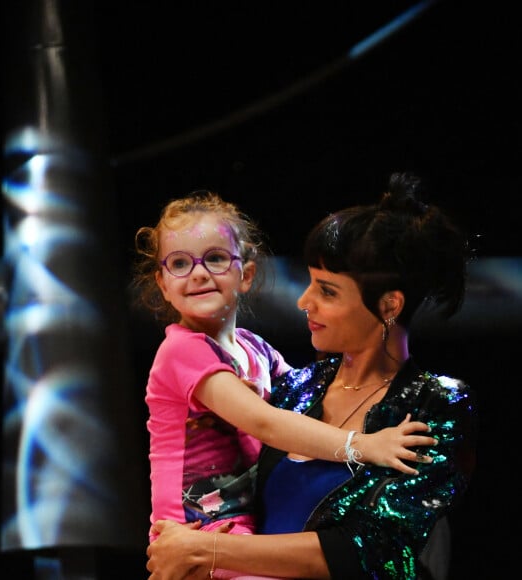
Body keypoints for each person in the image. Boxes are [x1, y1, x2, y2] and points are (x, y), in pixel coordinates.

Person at [146, 173, 479, 580]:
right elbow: (259, 425)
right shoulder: (297, 389)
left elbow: (372, 547)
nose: (305, 302)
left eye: (327, 291)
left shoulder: (434, 404)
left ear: (389, 305)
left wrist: (209, 550)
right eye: (310, 285)